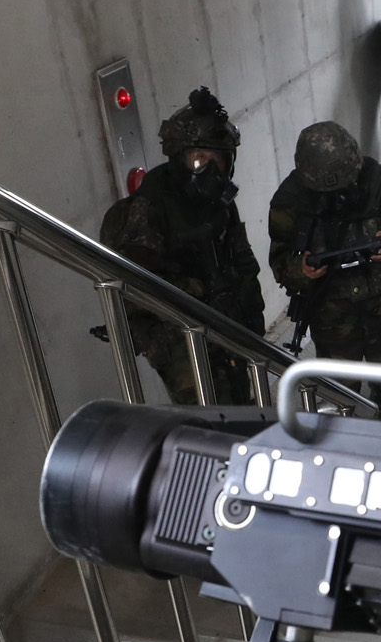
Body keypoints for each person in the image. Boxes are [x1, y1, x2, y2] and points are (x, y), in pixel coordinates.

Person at [99, 88, 266, 405]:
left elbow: (242, 262)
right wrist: (199, 289)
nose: (211, 171)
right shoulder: (150, 208)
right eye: (199, 160)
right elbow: (138, 285)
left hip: (222, 323)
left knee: (239, 401)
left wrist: (252, 317)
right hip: (175, 331)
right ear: (179, 159)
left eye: (219, 161)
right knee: (205, 409)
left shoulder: (220, 204)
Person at [267, 122, 381, 422]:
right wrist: (302, 270)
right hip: (331, 316)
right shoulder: (290, 200)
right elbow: (280, 262)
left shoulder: (379, 182)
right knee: (338, 406)